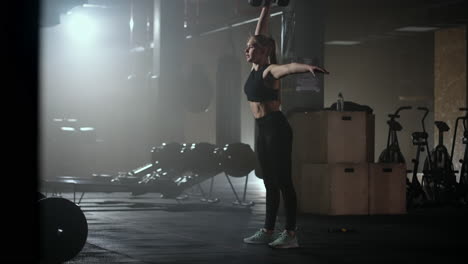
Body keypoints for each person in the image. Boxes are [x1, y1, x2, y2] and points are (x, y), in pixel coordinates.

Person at [242, 0, 329, 249]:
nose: (246, 51)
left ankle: (291, 234)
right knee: (268, 181)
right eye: (247, 48)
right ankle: (269, 229)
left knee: (283, 181)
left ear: (263, 52)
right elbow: (260, 34)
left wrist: (307, 67)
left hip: (276, 128)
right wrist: (266, 7)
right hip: (260, 129)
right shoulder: (254, 67)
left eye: (250, 48)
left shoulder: (271, 71)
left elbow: (289, 67)